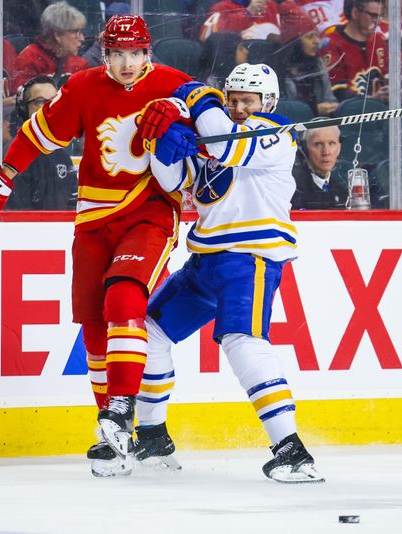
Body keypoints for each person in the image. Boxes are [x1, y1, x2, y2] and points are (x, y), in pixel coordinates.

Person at [0, 15, 192, 477]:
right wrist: (3, 176)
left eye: (135, 54)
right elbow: (39, 133)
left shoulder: (176, 84)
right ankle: (113, 435)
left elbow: (216, 117)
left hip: (150, 210)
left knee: (123, 296)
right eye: (117, 54)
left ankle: (120, 408)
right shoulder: (86, 86)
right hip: (92, 217)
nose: (127, 64)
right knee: (93, 323)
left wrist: (191, 120)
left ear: (148, 53)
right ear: (104, 54)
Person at [133, 63, 325, 483]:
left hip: (250, 260)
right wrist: (163, 144)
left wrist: (198, 99)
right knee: (150, 330)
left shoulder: (275, 135)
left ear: (267, 103)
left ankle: (291, 451)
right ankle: (151, 436)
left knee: (243, 342)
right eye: (232, 98)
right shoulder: (214, 135)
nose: (238, 106)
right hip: (204, 263)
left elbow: (229, 149)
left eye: (248, 100)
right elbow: (172, 180)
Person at [5, 76, 77, 210]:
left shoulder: (63, 157)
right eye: (39, 102)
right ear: (23, 109)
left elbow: (73, 208)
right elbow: (15, 217)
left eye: (53, 101)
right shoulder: (14, 156)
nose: (47, 108)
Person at [275, 1, 338, 116]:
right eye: (310, 37)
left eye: (317, 36)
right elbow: (283, 109)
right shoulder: (278, 69)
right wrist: (315, 110)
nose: (316, 41)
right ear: (295, 42)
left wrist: (333, 107)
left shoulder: (317, 63)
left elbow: (330, 99)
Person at [320, 0, 389, 101]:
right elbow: (336, 94)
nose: (377, 21)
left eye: (380, 16)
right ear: (355, 13)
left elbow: (387, 78)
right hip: (349, 114)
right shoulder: (332, 44)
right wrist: (373, 99)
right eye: (373, 15)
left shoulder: (379, 41)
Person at [15, 2, 90, 89]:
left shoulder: (80, 64)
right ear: (57, 35)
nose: (82, 39)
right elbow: (23, 99)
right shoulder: (30, 59)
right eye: (76, 32)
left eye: (81, 32)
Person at [291, 125, 347, 208]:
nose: (326, 152)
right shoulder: (293, 190)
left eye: (332, 143)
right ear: (305, 148)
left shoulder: (343, 192)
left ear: (339, 148)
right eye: (318, 144)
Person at [199, 0, 281, 43]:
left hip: (267, 65)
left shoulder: (271, 6)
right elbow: (210, 38)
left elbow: (282, 40)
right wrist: (248, 13)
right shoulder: (221, 8)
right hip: (235, 67)